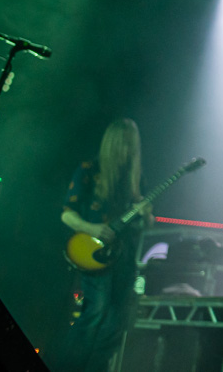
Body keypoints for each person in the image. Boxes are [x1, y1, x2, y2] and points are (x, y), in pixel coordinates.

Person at [56, 118, 151, 372]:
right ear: (113, 143)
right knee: (94, 313)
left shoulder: (136, 179)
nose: (128, 150)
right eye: (123, 144)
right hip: (95, 255)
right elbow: (67, 213)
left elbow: (145, 224)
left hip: (125, 258)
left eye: (132, 145)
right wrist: (93, 228)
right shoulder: (89, 168)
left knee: (117, 322)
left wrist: (145, 214)